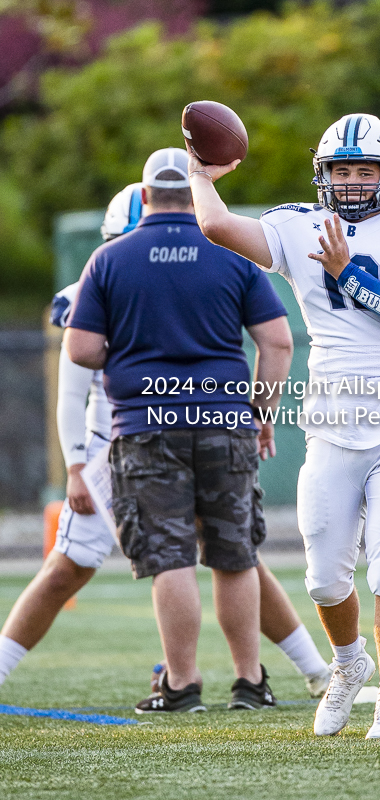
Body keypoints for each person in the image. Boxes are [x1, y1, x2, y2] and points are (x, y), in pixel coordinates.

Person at [0, 181, 330, 703]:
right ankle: (276, 673)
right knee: (207, 556)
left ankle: (289, 671)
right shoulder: (117, 276)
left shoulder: (124, 267)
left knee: (222, 556)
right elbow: (73, 390)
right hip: (117, 446)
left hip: (147, 439)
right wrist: (78, 464)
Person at [186, 113, 380, 738]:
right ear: (323, 174)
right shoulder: (294, 223)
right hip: (332, 423)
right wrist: (201, 174)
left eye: (366, 170)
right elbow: (216, 225)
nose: (354, 182)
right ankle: (347, 663)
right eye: (342, 170)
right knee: (324, 577)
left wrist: (349, 277)